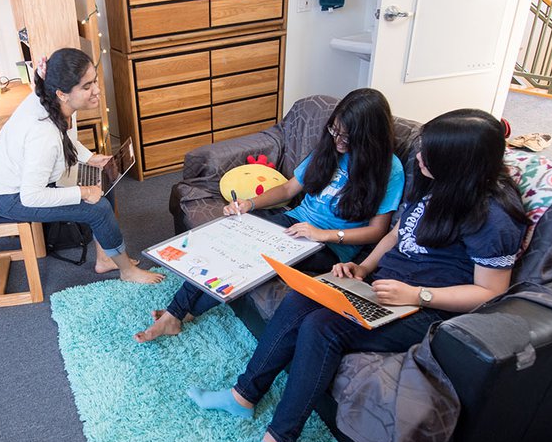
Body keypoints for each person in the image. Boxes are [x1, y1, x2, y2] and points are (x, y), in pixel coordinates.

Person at [188, 108, 528, 442]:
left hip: (426, 308)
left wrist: (417, 294)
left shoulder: (493, 217)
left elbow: (491, 293)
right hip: (384, 287)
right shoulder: (434, 182)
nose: (417, 157)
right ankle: (243, 395)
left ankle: (279, 441)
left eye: (428, 154)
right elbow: (397, 235)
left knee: (322, 327)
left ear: (458, 165)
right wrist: (362, 270)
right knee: (303, 294)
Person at [135, 88, 404, 343]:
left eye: (346, 137)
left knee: (251, 259)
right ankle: (176, 313)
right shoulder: (330, 147)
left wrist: (322, 234)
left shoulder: (389, 169)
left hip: (330, 246)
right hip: (296, 223)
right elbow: (289, 187)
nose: (338, 141)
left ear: (368, 137)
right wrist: (249, 204)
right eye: (334, 131)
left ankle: (176, 315)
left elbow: (378, 230)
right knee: (230, 241)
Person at [0, 48, 162, 285]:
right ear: (63, 94)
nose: (96, 90)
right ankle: (126, 270)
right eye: (87, 87)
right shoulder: (43, 135)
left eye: (94, 81)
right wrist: (84, 193)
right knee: (97, 209)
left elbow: (66, 138)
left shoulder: (54, 100)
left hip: (30, 178)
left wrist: (88, 158)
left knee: (105, 177)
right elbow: (31, 196)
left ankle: (105, 258)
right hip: (9, 195)